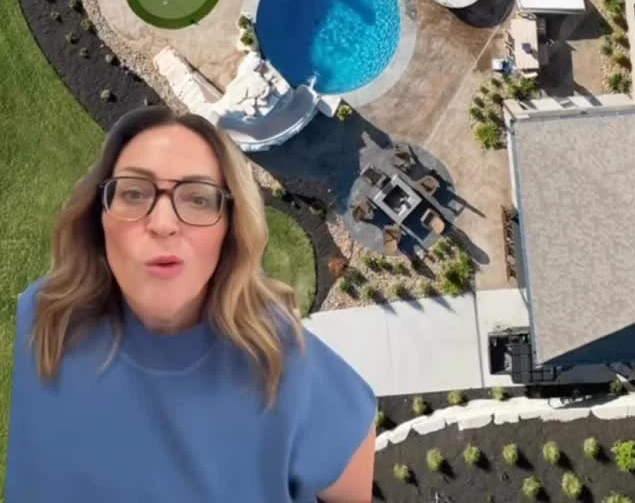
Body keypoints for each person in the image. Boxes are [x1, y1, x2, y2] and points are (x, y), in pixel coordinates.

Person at [6, 105, 376, 502]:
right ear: (100, 217)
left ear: (230, 228)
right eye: (134, 193)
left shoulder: (286, 367)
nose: (163, 223)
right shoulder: (48, 315)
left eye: (198, 199)